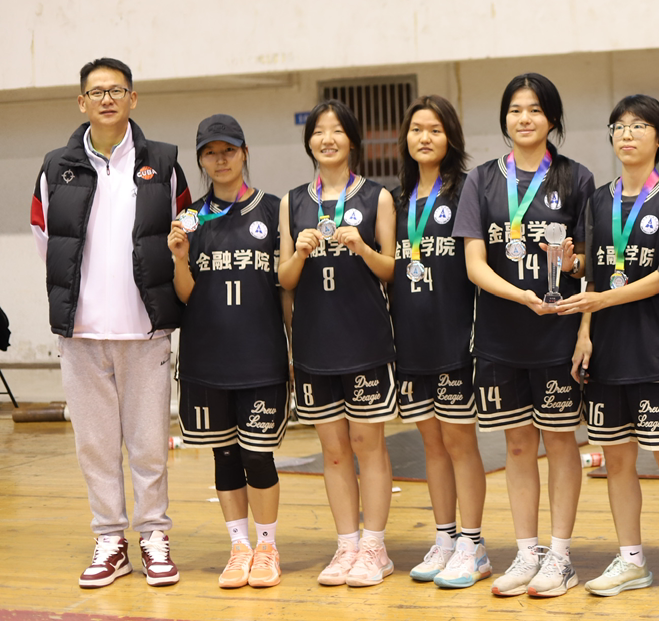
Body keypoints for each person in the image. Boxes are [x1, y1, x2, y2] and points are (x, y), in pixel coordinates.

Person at [30, 58, 190, 588]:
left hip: (145, 330)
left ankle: (154, 535)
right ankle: (110, 540)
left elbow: (183, 231)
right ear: (82, 102)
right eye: (96, 92)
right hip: (81, 333)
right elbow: (44, 239)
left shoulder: (163, 162)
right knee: (95, 446)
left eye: (116, 90)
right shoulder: (55, 166)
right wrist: (76, 300)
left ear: (132, 98)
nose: (106, 99)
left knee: (149, 444)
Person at [453, 73, 594, 598]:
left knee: (559, 441)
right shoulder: (482, 180)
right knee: (516, 444)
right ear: (504, 118)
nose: (524, 118)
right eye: (515, 109)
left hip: (556, 334)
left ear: (552, 118)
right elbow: (474, 263)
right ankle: (526, 551)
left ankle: (560, 556)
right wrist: (520, 295)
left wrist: (570, 262)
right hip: (501, 333)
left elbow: (591, 262)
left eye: (535, 109)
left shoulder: (576, 178)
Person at [557, 94, 659, 601]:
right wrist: (584, 328)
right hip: (607, 352)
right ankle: (632, 561)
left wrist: (600, 297)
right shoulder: (598, 201)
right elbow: (592, 275)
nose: (627, 134)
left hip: (657, 351)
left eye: (639, 126)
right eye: (619, 126)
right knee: (616, 461)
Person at [277, 100, 399, 588]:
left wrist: (362, 247)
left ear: (352, 140)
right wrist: (300, 253)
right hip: (314, 343)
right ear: (309, 141)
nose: (327, 139)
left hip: (365, 339)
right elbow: (285, 279)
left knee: (368, 444)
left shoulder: (378, 197)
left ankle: (375, 547)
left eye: (336, 131)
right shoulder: (292, 202)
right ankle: (347, 543)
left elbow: (390, 269)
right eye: (318, 131)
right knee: (332, 450)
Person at [167, 115, 290, 589]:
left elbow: (286, 289)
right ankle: (239, 547)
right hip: (207, 357)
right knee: (225, 455)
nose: (220, 160)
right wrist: (180, 258)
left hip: (261, 356)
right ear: (200, 159)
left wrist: (295, 352)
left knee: (258, 455)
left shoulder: (273, 210)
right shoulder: (190, 218)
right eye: (210, 153)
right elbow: (185, 294)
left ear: (244, 153)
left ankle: (267, 546)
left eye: (229, 150)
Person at [391, 96, 491, 589]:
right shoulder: (397, 198)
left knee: (458, 440)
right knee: (430, 441)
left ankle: (474, 544)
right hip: (411, 339)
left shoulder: (467, 190)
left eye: (434, 129)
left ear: (450, 136)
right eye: (416, 129)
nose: (424, 137)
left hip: (455, 335)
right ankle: (445, 538)